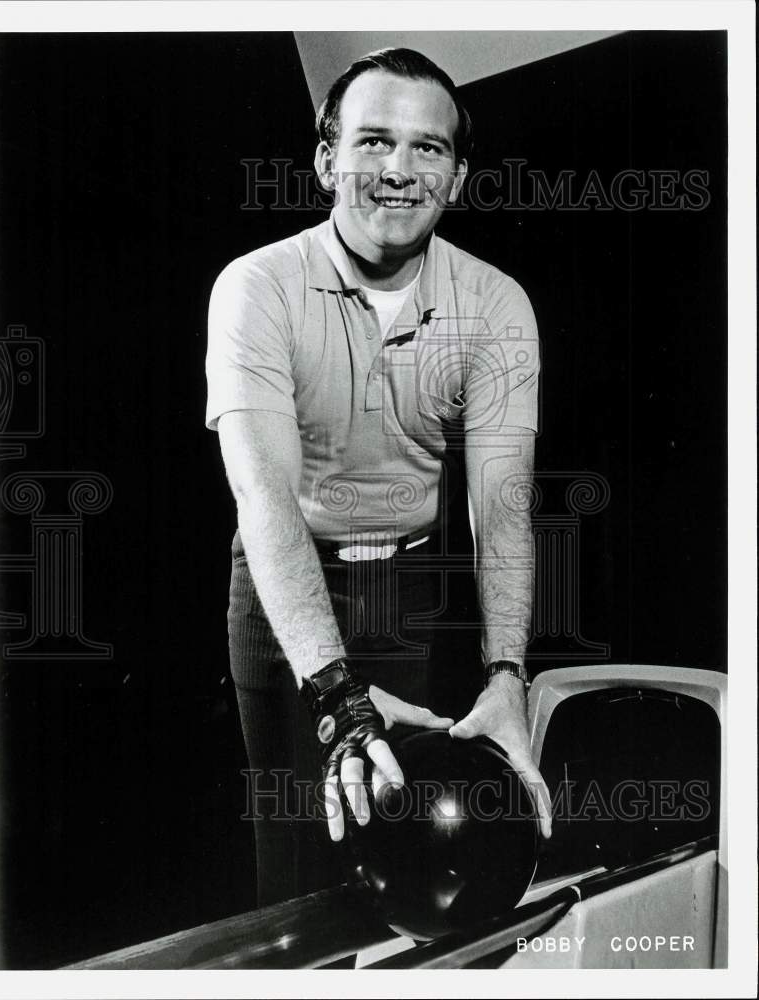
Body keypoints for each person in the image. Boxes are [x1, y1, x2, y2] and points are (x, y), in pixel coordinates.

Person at [205, 47, 552, 908]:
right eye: (372, 142)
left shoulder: (497, 302)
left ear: (457, 176)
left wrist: (507, 674)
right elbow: (265, 500)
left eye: (427, 149)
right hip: (285, 579)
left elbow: (503, 510)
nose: (398, 170)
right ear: (327, 160)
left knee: (399, 835)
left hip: (409, 585)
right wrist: (339, 697)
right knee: (296, 851)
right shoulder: (255, 288)